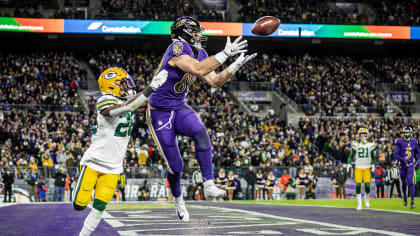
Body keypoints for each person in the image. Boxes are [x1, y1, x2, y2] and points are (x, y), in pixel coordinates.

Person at [146, 16, 256, 222]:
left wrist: (235, 65)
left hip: (178, 107)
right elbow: (197, 69)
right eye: (196, 32)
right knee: (176, 166)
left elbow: (214, 81)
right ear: (184, 33)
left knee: (200, 132)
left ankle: (208, 184)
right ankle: (178, 200)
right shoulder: (176, 48)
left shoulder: (201, 52)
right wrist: (225, 54)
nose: (200, 35)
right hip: (160, 111)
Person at [72, 67, 167, 236]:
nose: (127, 87)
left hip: (114, 166)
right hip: (94, 161)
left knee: (100, 206)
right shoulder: (105, 99)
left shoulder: (129, 102)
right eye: (123, 84)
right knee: (79, 204)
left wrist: (166, 90)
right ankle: (76, 184)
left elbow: (146, 105)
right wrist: (149, 88)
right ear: (112, 86)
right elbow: (122, 108)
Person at [347, 128, 376, 210]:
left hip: (367, 168)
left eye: (364, 134)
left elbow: (373, 157)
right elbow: (350, 156)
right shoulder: (356, 144)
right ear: (359, 136)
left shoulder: (370, 145)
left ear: (367, 135)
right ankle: (359, 203)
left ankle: (366, 198)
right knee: (358, 185)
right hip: (358, 167)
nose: (363, 136)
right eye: (361, 134)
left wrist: (373, 164)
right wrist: (349, 163)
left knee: (367, 186)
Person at [393, 127, 420, 208]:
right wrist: (403, 159)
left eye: (408, 133)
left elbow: (418, 153)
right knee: (404, 183)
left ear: (411, 133)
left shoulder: (414, 141)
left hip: (411, 165)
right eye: (405, 132)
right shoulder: (399, 141)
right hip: (402, 166)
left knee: (411, 183)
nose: (406, 134)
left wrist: (418, 160)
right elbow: (395, 154)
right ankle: (405, 197)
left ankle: (412, 202)